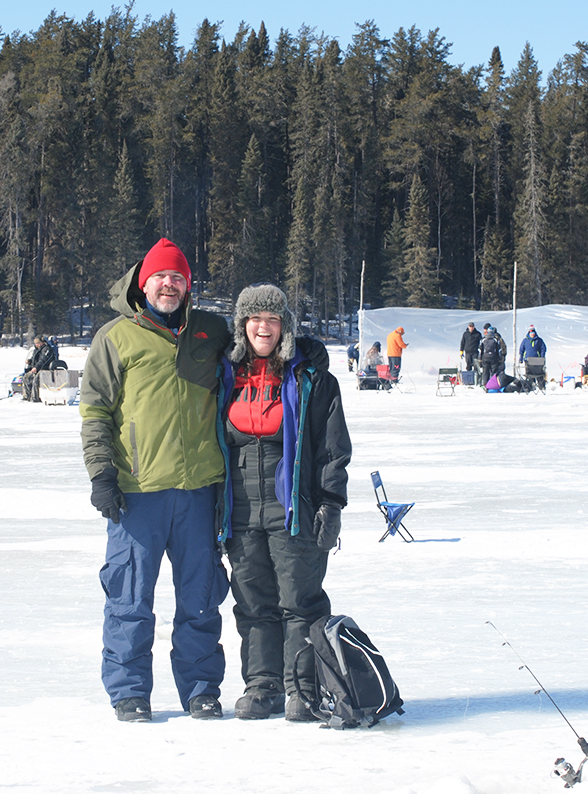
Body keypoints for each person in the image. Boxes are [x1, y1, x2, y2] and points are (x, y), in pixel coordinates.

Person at [80, 238, 231, 722]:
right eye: (161, 277)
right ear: (143, 282)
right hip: (136, 493)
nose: (170, 285)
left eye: (179, 278)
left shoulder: (211, 331)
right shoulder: (115, 337)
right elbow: (95, 410)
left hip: (199, 491)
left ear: (188, 285)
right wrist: (102, 472)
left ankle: (202, 688)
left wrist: (301, 346)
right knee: (129, 597)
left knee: (201, 598)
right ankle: (129, 691)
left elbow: (261, 350)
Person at [219, 284, 351, 722]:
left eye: (272, 319)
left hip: (292, 500)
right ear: (242, 326)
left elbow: (333, 450)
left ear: (284, 326)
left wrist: (330, 504)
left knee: (300, 598)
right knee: (253, 601)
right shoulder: (225, 375)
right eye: (254, 319)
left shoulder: (310, 377)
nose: (263, 327)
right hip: (239, 504)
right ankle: (262, 685)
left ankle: (303, 687)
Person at [22, 335, 55, 402]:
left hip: (45, 369)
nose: (36, 344)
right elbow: (36, 359)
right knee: (26, 377)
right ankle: (27, 396)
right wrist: (30, 361)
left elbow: (43, 360)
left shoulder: (47, 349)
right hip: (37, 369)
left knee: (36, 380)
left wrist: (36, 368)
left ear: (41, 342)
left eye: (37, 343)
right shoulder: (37, 349)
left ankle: (35, 397)